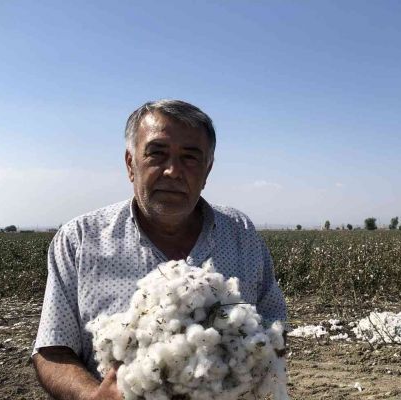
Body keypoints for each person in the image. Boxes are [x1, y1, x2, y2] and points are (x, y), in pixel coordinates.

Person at [31, 99, 287, 400]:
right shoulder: (79, 240)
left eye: (190, 158)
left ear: (207, 171)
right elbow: (51, 350)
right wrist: (93, 396)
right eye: (157, 154)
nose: (172, 171)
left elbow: (274, 329)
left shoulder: (241, 234)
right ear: (130, 164)